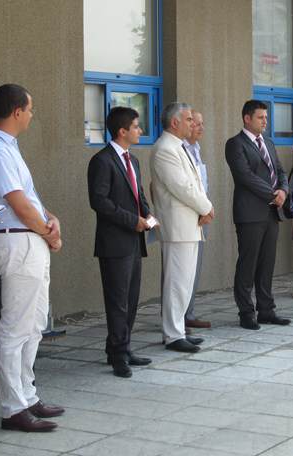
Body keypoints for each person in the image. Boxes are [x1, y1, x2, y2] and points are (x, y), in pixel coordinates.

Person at [0, 83, 64, 431]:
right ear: (17, 111)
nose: (32, 115)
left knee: (33, 325)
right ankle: (12, 408)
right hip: (16, 241)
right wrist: (47, 230)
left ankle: (27, 395)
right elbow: (16, 202)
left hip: (30, 239)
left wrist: (50, 218)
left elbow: (29, 198)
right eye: (30, 109)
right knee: (16, 327)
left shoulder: (9, 147)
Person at [88, 106, 154, 377]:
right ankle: (117, 355)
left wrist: (148, 215)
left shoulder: (133, 160)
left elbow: (138, 195)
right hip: (114, 242)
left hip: (134, 240)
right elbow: (99, 202)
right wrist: (132, 220)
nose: (140, 131)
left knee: (131, 298)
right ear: (122, 131)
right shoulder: (102, 161)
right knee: (117, 302)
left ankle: (122, 347)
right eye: (137, 127)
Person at [150, 102, 211, 352]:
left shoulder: (179, 146)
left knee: (184, 282)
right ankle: (173, 334)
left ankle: (179, 329)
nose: (192, 124)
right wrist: (206, 207)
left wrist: (204, 207)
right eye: (188, 120)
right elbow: (182, 187)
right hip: (178, 226)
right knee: (176, 282)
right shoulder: (165, 148)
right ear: (174, 122)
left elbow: (193, 183)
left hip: (190, 224)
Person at [225, 100, 290, 330]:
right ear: (247, 118)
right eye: (261, 117)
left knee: (267, 264)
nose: (265, 121)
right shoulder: (235, 144)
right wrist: (273, 194)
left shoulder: (268, 143)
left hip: (272, 213)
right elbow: (245, 176)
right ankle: (246, 312)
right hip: (250, 213)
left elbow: (280, 171)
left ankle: (266, 310)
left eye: (266, 117)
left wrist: (283, 190)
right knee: (248, 264)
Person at [183, 110, 212, 329]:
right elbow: (185, 188)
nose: (201, 128)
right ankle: (178, 315)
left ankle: (188, 312)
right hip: (187, 217)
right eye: (196, 123)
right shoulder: (179, 150)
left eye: (202, 124)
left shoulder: (196, 149)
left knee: (195, 268)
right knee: (181, 271)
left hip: (202, 216)